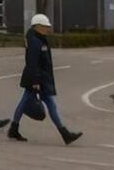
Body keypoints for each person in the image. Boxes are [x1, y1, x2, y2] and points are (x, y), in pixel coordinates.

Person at [7, 13, 82, 145]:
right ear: (37, 27)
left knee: (24, 102)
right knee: (49, 105)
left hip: (39, 78)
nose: (47, 29)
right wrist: (35, 81)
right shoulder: (36, 42)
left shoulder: (38, 39)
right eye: (45, 26)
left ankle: (14, 128)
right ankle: (64, 133)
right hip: (37, 79)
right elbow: (33, 62)